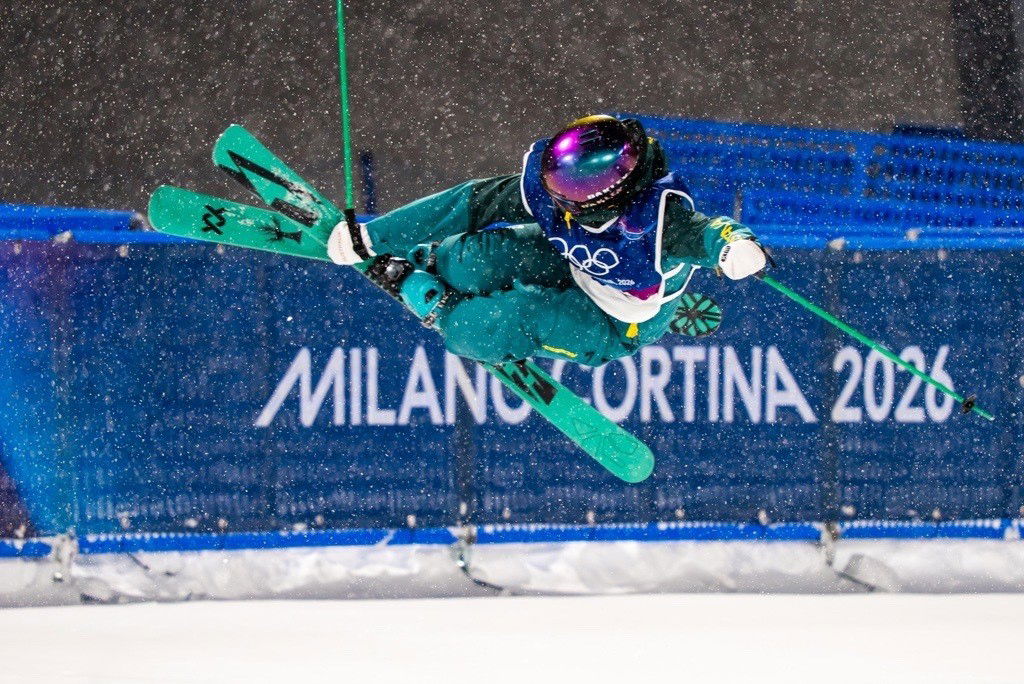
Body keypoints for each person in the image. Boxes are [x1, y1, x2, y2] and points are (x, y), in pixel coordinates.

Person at [326, 114, 768, 367]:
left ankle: (453, 314)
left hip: (619, 317)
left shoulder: (659, 222)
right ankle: (432, 262)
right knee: (474, 262)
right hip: (578, 265)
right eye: (558, 185)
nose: (562, 201)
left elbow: (712, 232)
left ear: (613, 192)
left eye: (576, 192)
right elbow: (470, 204)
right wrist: (374, 235)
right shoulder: (554, 189)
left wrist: (736, 247)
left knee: (500, 322)